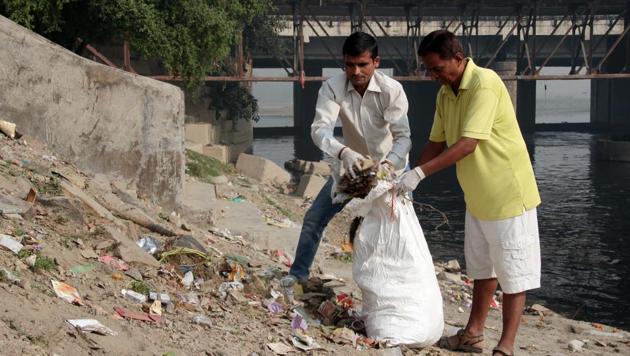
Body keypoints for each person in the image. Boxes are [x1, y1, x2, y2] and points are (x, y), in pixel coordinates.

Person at [396, 30, 541, 356]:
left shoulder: (485, 84)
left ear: (458, 59)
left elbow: (466, 144)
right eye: (428, 70)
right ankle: (473, 334)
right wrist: (409, 178)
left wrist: (420, 173)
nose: (433, 76)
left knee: (514, 272)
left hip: (508, 193)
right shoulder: (445, 94)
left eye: (437, 68)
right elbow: (437, 141)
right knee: (482, 269)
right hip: (476, 196)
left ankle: (506, 346)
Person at [283, 31, 411, 287]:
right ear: (344, 63)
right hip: (352, 166)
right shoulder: (332, 87)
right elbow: (319, 130)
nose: (356, 72)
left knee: (398, 233)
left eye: (363, 64)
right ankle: (297, 275)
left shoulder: (391, 90)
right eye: (350, 65)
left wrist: (388, 165)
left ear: (376, 62)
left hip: (390, 169)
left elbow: (404, 137)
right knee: (314, 219)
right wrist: (344, 152)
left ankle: (398, 286)